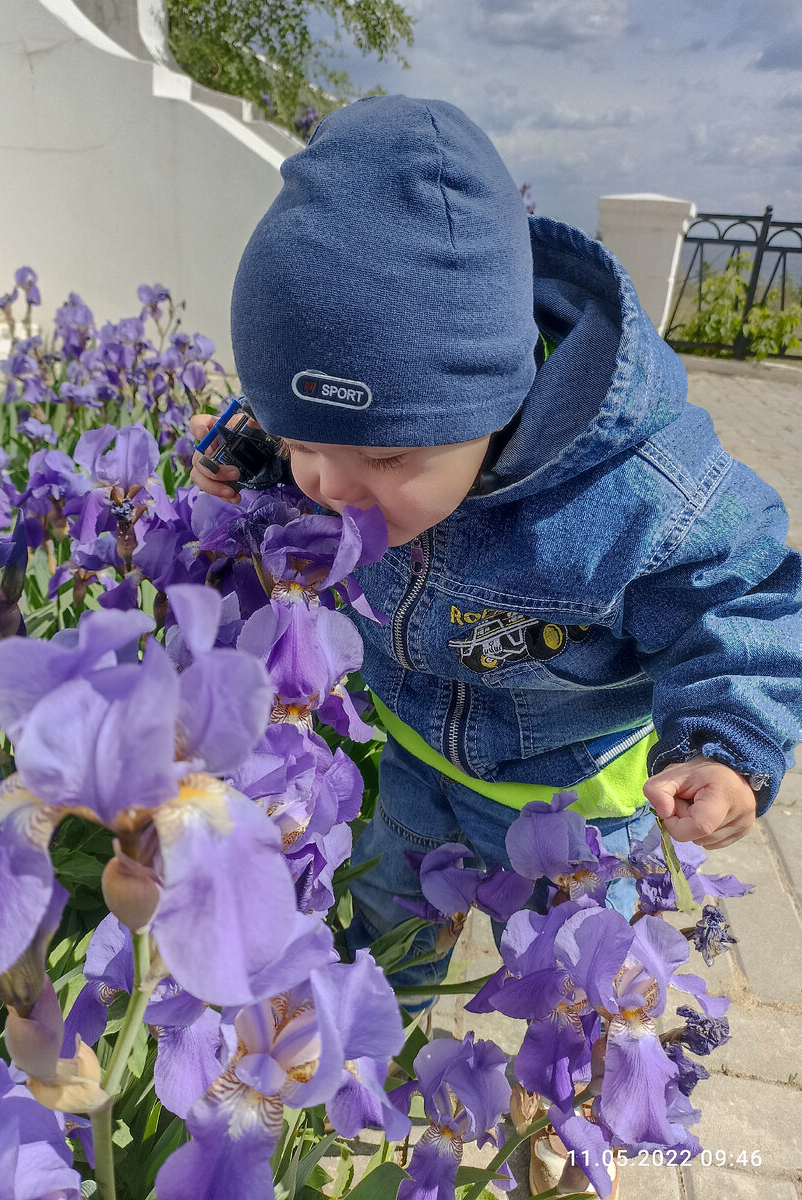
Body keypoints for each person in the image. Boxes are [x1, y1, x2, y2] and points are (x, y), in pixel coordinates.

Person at [189, 94, 802, 999]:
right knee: (387, 947)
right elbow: (326, 421)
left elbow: (738, 597)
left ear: (496, 400)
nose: (328, 485)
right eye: (302, 442)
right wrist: (251, 446)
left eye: (386, 456)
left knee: (580, 993)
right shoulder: (359, 429)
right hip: (410, 766)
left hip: (575, 805)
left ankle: (570, 1114)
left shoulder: (639, 496)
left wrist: (725, 743)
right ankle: (381, 1046)